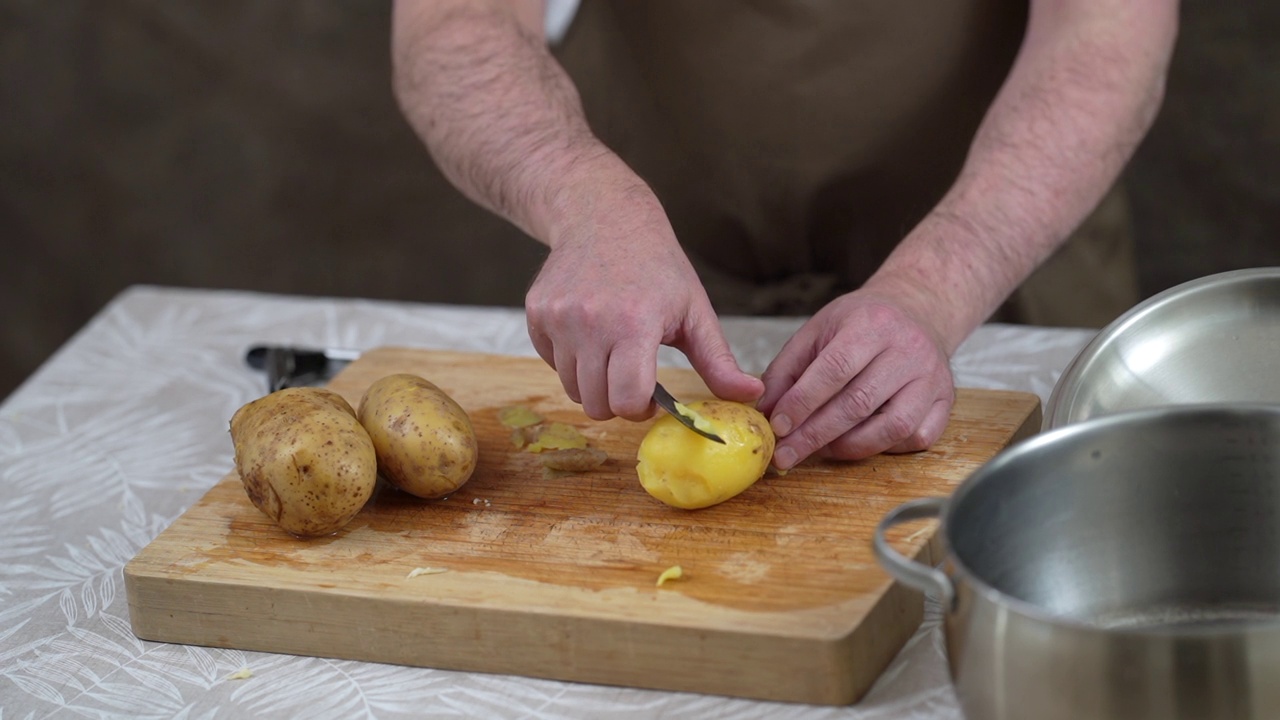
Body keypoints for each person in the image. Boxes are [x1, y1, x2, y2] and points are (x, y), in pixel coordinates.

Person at [389, 0, 1178, 471]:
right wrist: (583, 198)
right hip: (668, 288)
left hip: (997, 267)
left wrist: (934, 289)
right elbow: (456, 22)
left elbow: (1107, 29)